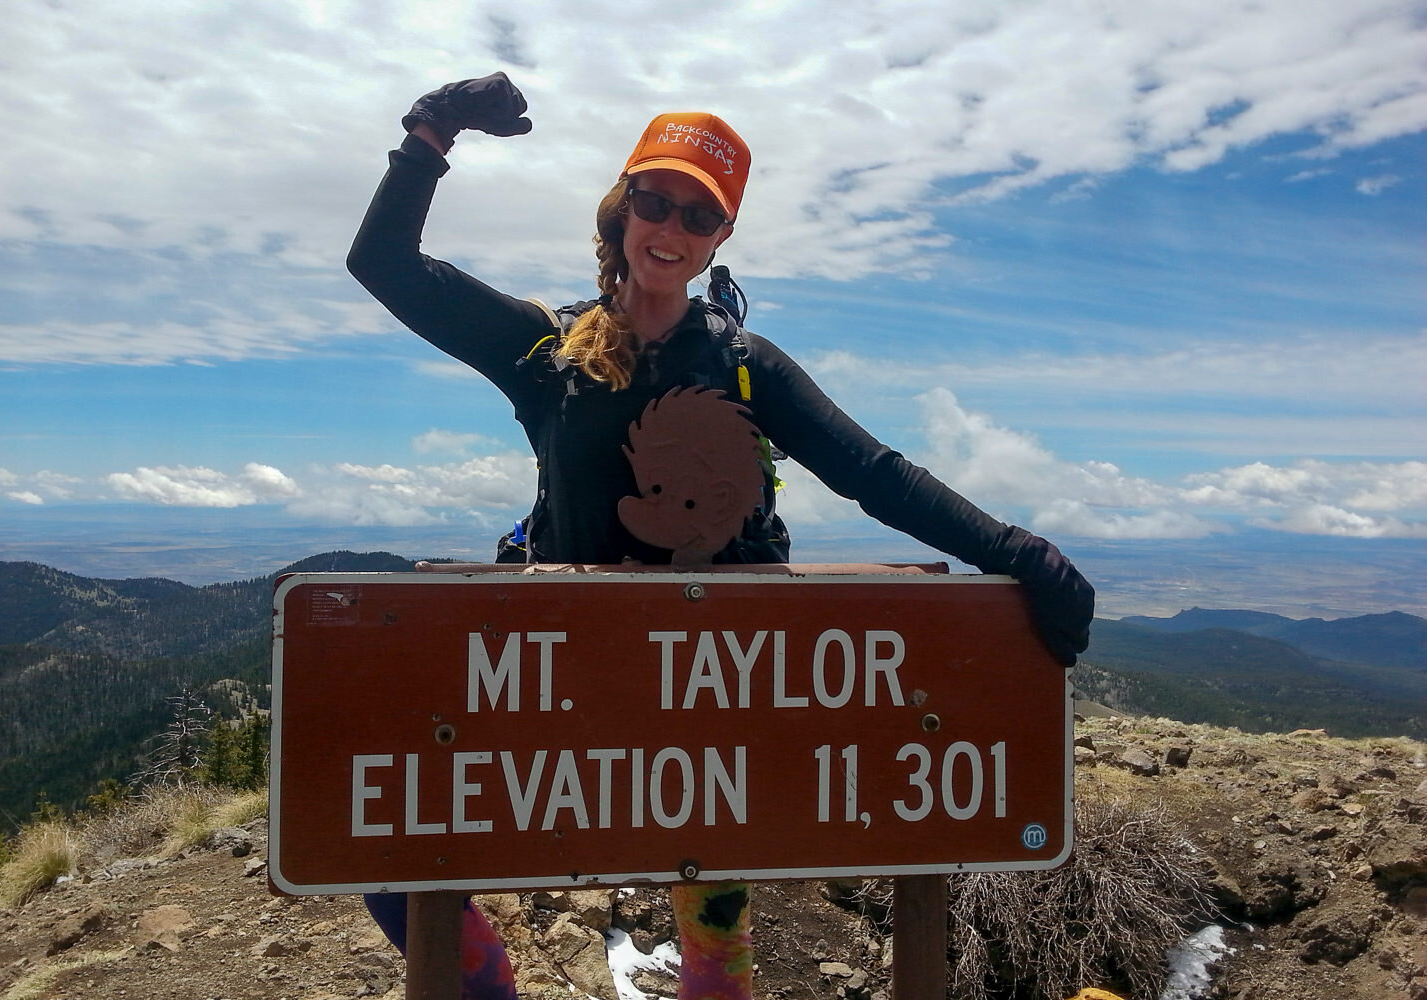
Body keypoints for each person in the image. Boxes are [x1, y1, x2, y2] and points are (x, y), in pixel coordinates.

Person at [348, 71, 1095, 1000]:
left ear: (720, 239)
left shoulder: (746, 364)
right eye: (654, 201)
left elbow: (872, 472)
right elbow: (384, 265)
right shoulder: (546, 349)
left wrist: (1016, 551)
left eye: (698, 216)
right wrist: (429, 135)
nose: (671, 228)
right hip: (569, 670)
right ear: (622, 211)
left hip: (718, 683)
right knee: (379, 855)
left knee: (713, 926)